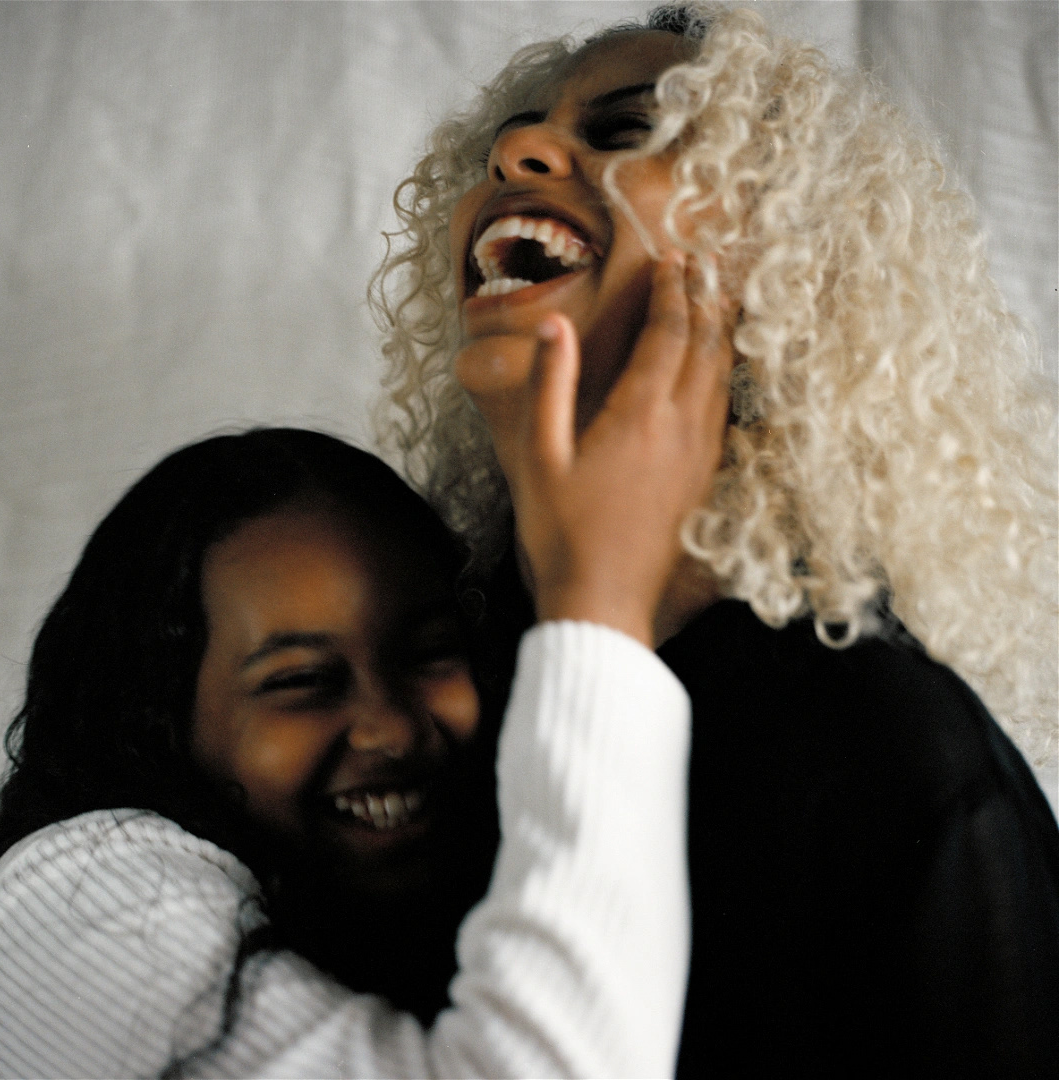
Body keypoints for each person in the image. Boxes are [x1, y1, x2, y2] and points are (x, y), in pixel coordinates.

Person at [373, 3, 1059, 1076]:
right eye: (509, 139)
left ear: (789, 261)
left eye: (629, 129)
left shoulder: (890, 755)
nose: (519, 151)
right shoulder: (407, 707)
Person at [0, 405, 734, 1076]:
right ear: (155, 717)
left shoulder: (425, 913)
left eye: (428, 653)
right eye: (303, 680)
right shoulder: (70, 902)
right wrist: (600, 609)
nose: (392, 728)